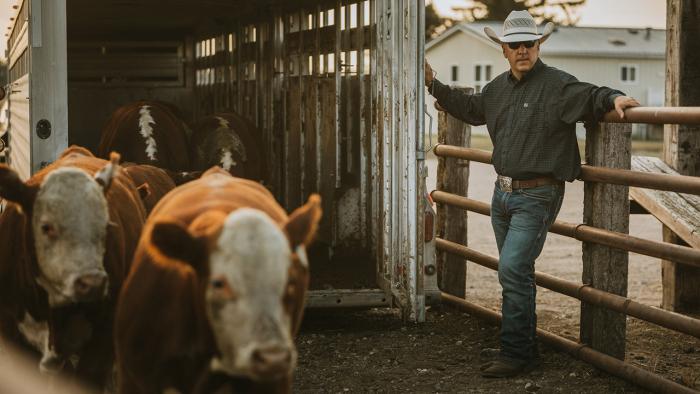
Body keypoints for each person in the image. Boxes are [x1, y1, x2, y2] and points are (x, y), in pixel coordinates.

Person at [425, 10, 640, 378]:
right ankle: (521, 346)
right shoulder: (496, 90)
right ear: (504, 51)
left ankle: (517, 353)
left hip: (538, 195)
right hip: (502, 194)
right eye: (515, 45)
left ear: (539, 46)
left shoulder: (558, 85)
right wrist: (434, 85)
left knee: (511, 268)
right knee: (516, 273)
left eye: (529, 43)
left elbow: (591, 95)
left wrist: (615, 98)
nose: (522, 50)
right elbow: (470, 107)